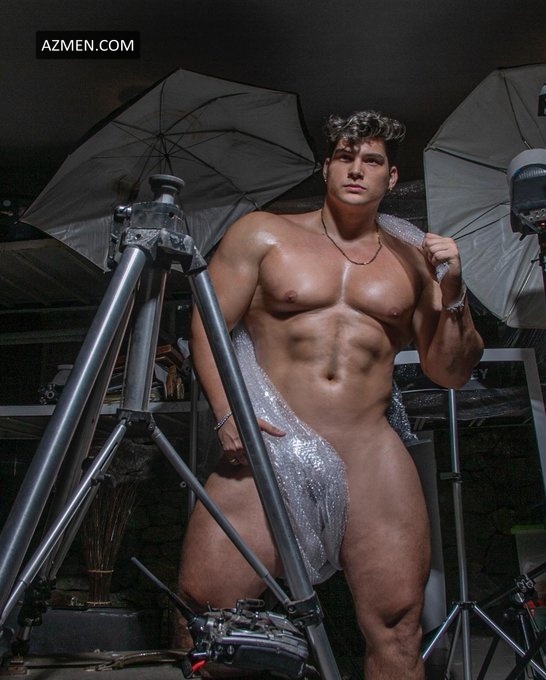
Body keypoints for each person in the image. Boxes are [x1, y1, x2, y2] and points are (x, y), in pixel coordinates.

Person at [178, 110, 484, 678]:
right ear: (327, 167)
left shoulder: (416, 261)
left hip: (368, 450)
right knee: (206, 616)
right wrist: (226, 412)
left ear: (392, 177)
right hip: (271, 442)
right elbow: (207, 325)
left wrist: (455, 291)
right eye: (345, 157)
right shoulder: (262, 233)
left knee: (397, 626)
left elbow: (450, 373)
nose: (357, 169)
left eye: (372, 161)